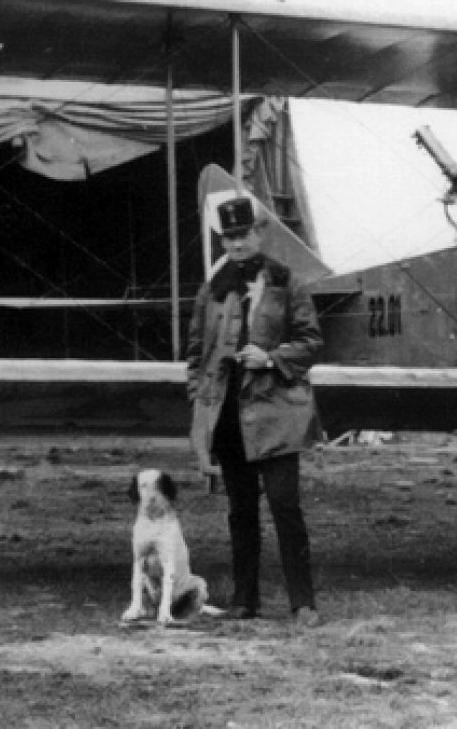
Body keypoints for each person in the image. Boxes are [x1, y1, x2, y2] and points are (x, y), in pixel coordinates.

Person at [184, 197, 325, 627]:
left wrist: (269, 358)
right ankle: (245, 599)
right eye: (229, 236)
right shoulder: (211, 290)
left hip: (276, 411)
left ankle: (303, 603)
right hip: (228, 416)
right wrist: (201, 401)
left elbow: (311, 341)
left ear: (258, 234)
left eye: (243, 234)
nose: (237, 243)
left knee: (285, 506)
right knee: (240, 509)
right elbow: (195, 355)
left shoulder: (286, 281)